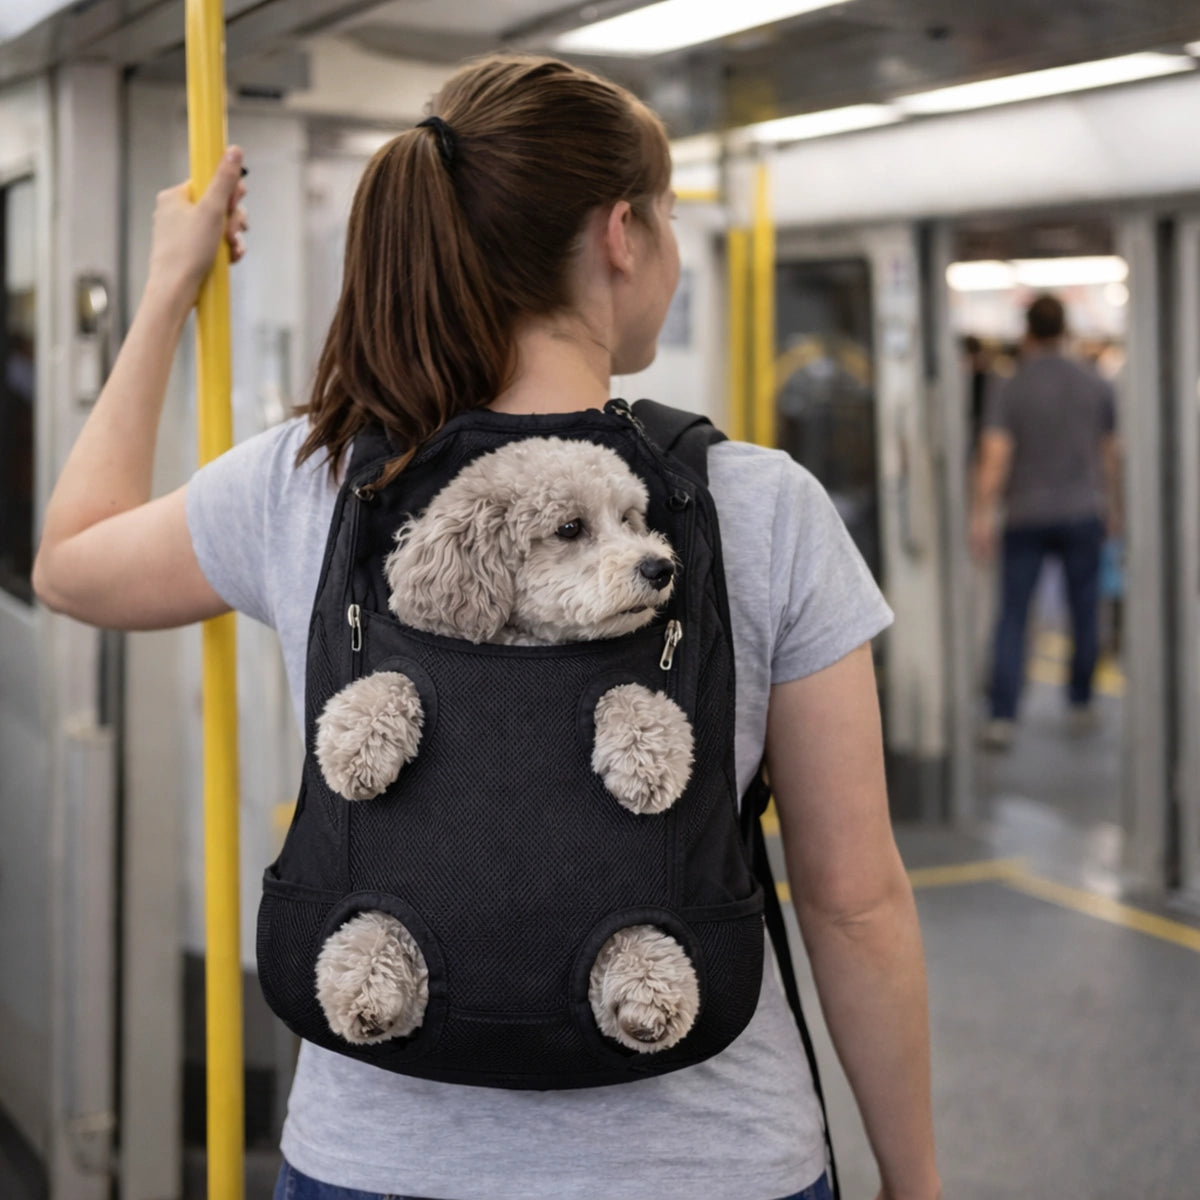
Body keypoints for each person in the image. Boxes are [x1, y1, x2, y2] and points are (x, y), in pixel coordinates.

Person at [32, 54, 940, 1200]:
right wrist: (916, 1180)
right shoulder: (757, 504)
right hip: (708, 1162)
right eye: (662, 218)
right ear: (621, 232)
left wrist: (167, 289)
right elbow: (854, 900)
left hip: (373, 1158)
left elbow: (68, 563)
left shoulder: (314, 479)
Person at [970, 293, 1121, 751]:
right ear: (1065, 329)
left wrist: (981, 513)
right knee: (1083, 609)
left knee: (1014, 615)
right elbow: (1110, 454)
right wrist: (1115, 507)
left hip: (1024, 514)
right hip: (1082, 510)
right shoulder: (1093, 381)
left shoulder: (1011, 385)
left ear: (1028, 331)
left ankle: (1003, 715)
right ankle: (1081, 701)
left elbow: (996, 455)